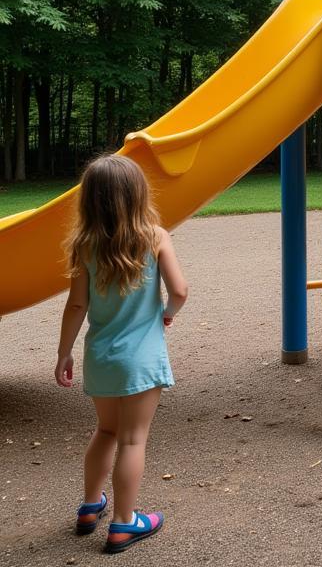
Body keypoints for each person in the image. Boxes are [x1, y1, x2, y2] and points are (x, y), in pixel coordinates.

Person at [55, 154, 189, 552]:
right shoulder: (155, 237)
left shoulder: (85, 246)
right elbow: (180, 291)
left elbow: (76, 306)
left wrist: (63, 353)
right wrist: (166, 314)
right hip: (141, 358)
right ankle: (124, 523)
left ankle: (90, 505)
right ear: (138, 195)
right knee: (133, 440)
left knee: (106, 431)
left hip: (101, 356)